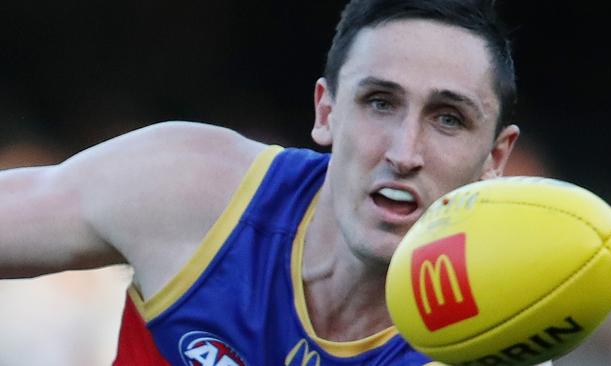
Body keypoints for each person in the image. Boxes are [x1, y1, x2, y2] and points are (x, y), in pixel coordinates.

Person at [1, 0, 554, 364]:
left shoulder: (489, 344)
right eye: (379, 102)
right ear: (326, 111)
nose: (404, 152)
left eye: (448, 118)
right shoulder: (194, 189)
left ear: (495, 157)